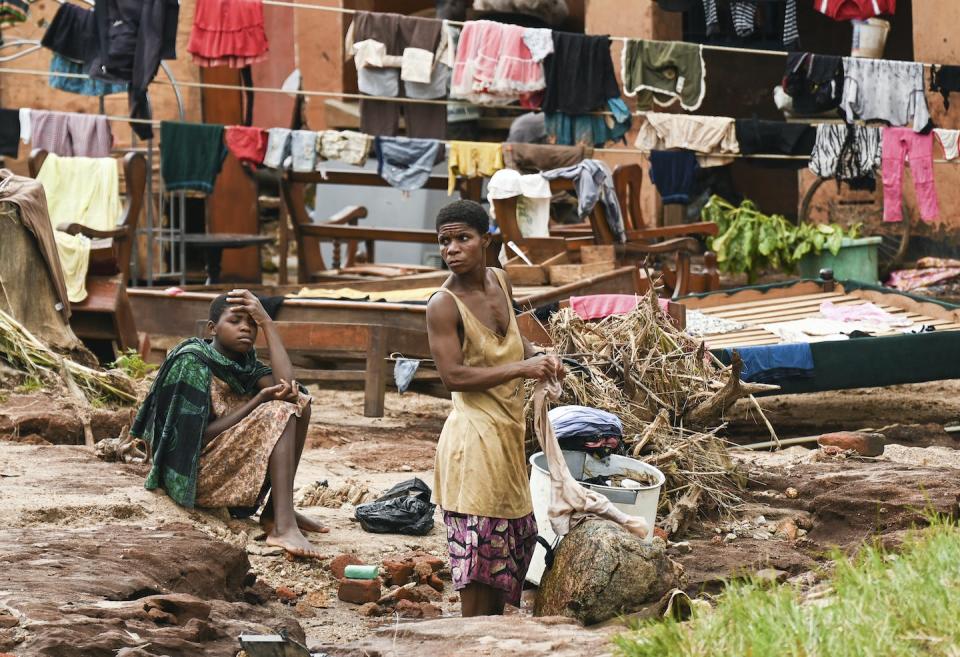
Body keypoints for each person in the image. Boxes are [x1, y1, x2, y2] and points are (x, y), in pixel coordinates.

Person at [426, 199, 563, 616]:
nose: (452, 249)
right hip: (472, 445)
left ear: (486, 240)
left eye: (462, 238)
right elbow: (453, 377)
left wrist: (541, 356)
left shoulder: (500, 280)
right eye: (444, 241)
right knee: (478, 563)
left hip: (505, 439)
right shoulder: (443, 305)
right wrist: (523, 367)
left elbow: (513, 343)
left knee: (510, 558)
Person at [130, 290, 326, 558]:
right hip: (191, 476)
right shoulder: (192, 361)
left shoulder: (246, 365)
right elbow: (191, 442)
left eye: (252, 323)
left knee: (299, 403)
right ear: (212, 328)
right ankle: (283, 528)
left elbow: (289, 390)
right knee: (278, 412)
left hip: (219, 464)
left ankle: (276, 513)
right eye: (235, 321)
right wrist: (256, 401)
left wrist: (268, 322)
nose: (246, 328)